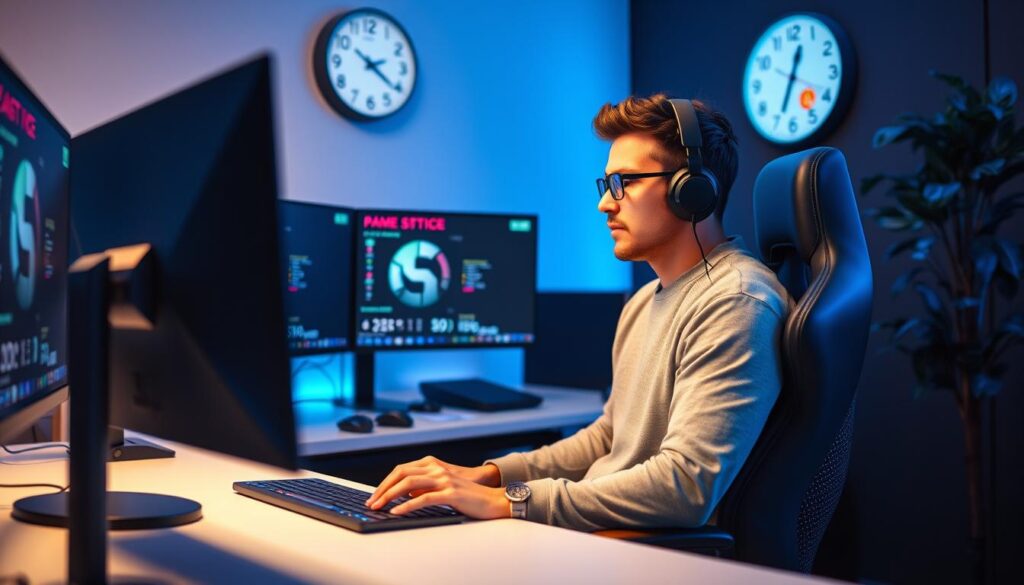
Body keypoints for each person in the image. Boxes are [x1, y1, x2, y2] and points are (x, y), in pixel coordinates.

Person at [366, 94, 793, 531]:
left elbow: (685, 487)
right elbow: (608, 437)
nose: (605, 204)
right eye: (606, 185)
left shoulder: (736, 302)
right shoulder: (645, 301)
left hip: (643, 553)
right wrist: (489, 475)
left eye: (624, 182)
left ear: (693, 191)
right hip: (598, 536)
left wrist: (509, 501)